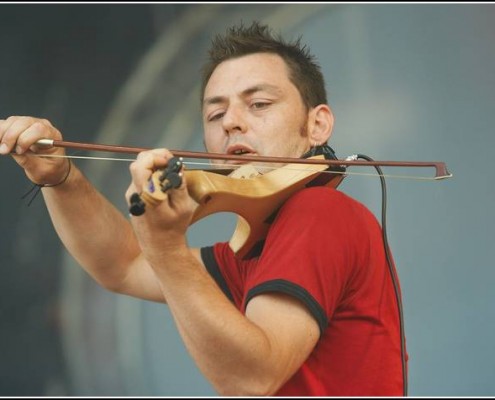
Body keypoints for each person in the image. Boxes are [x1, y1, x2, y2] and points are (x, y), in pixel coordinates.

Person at [0, 21, 406, 396]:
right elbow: (123, 265)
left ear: (317, 125)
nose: (231, 122)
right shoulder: (255, 250)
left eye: (259, 103)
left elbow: (253, 377)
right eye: (215, 113)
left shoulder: (318, 210)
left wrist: (166, 247)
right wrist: (59, 177)